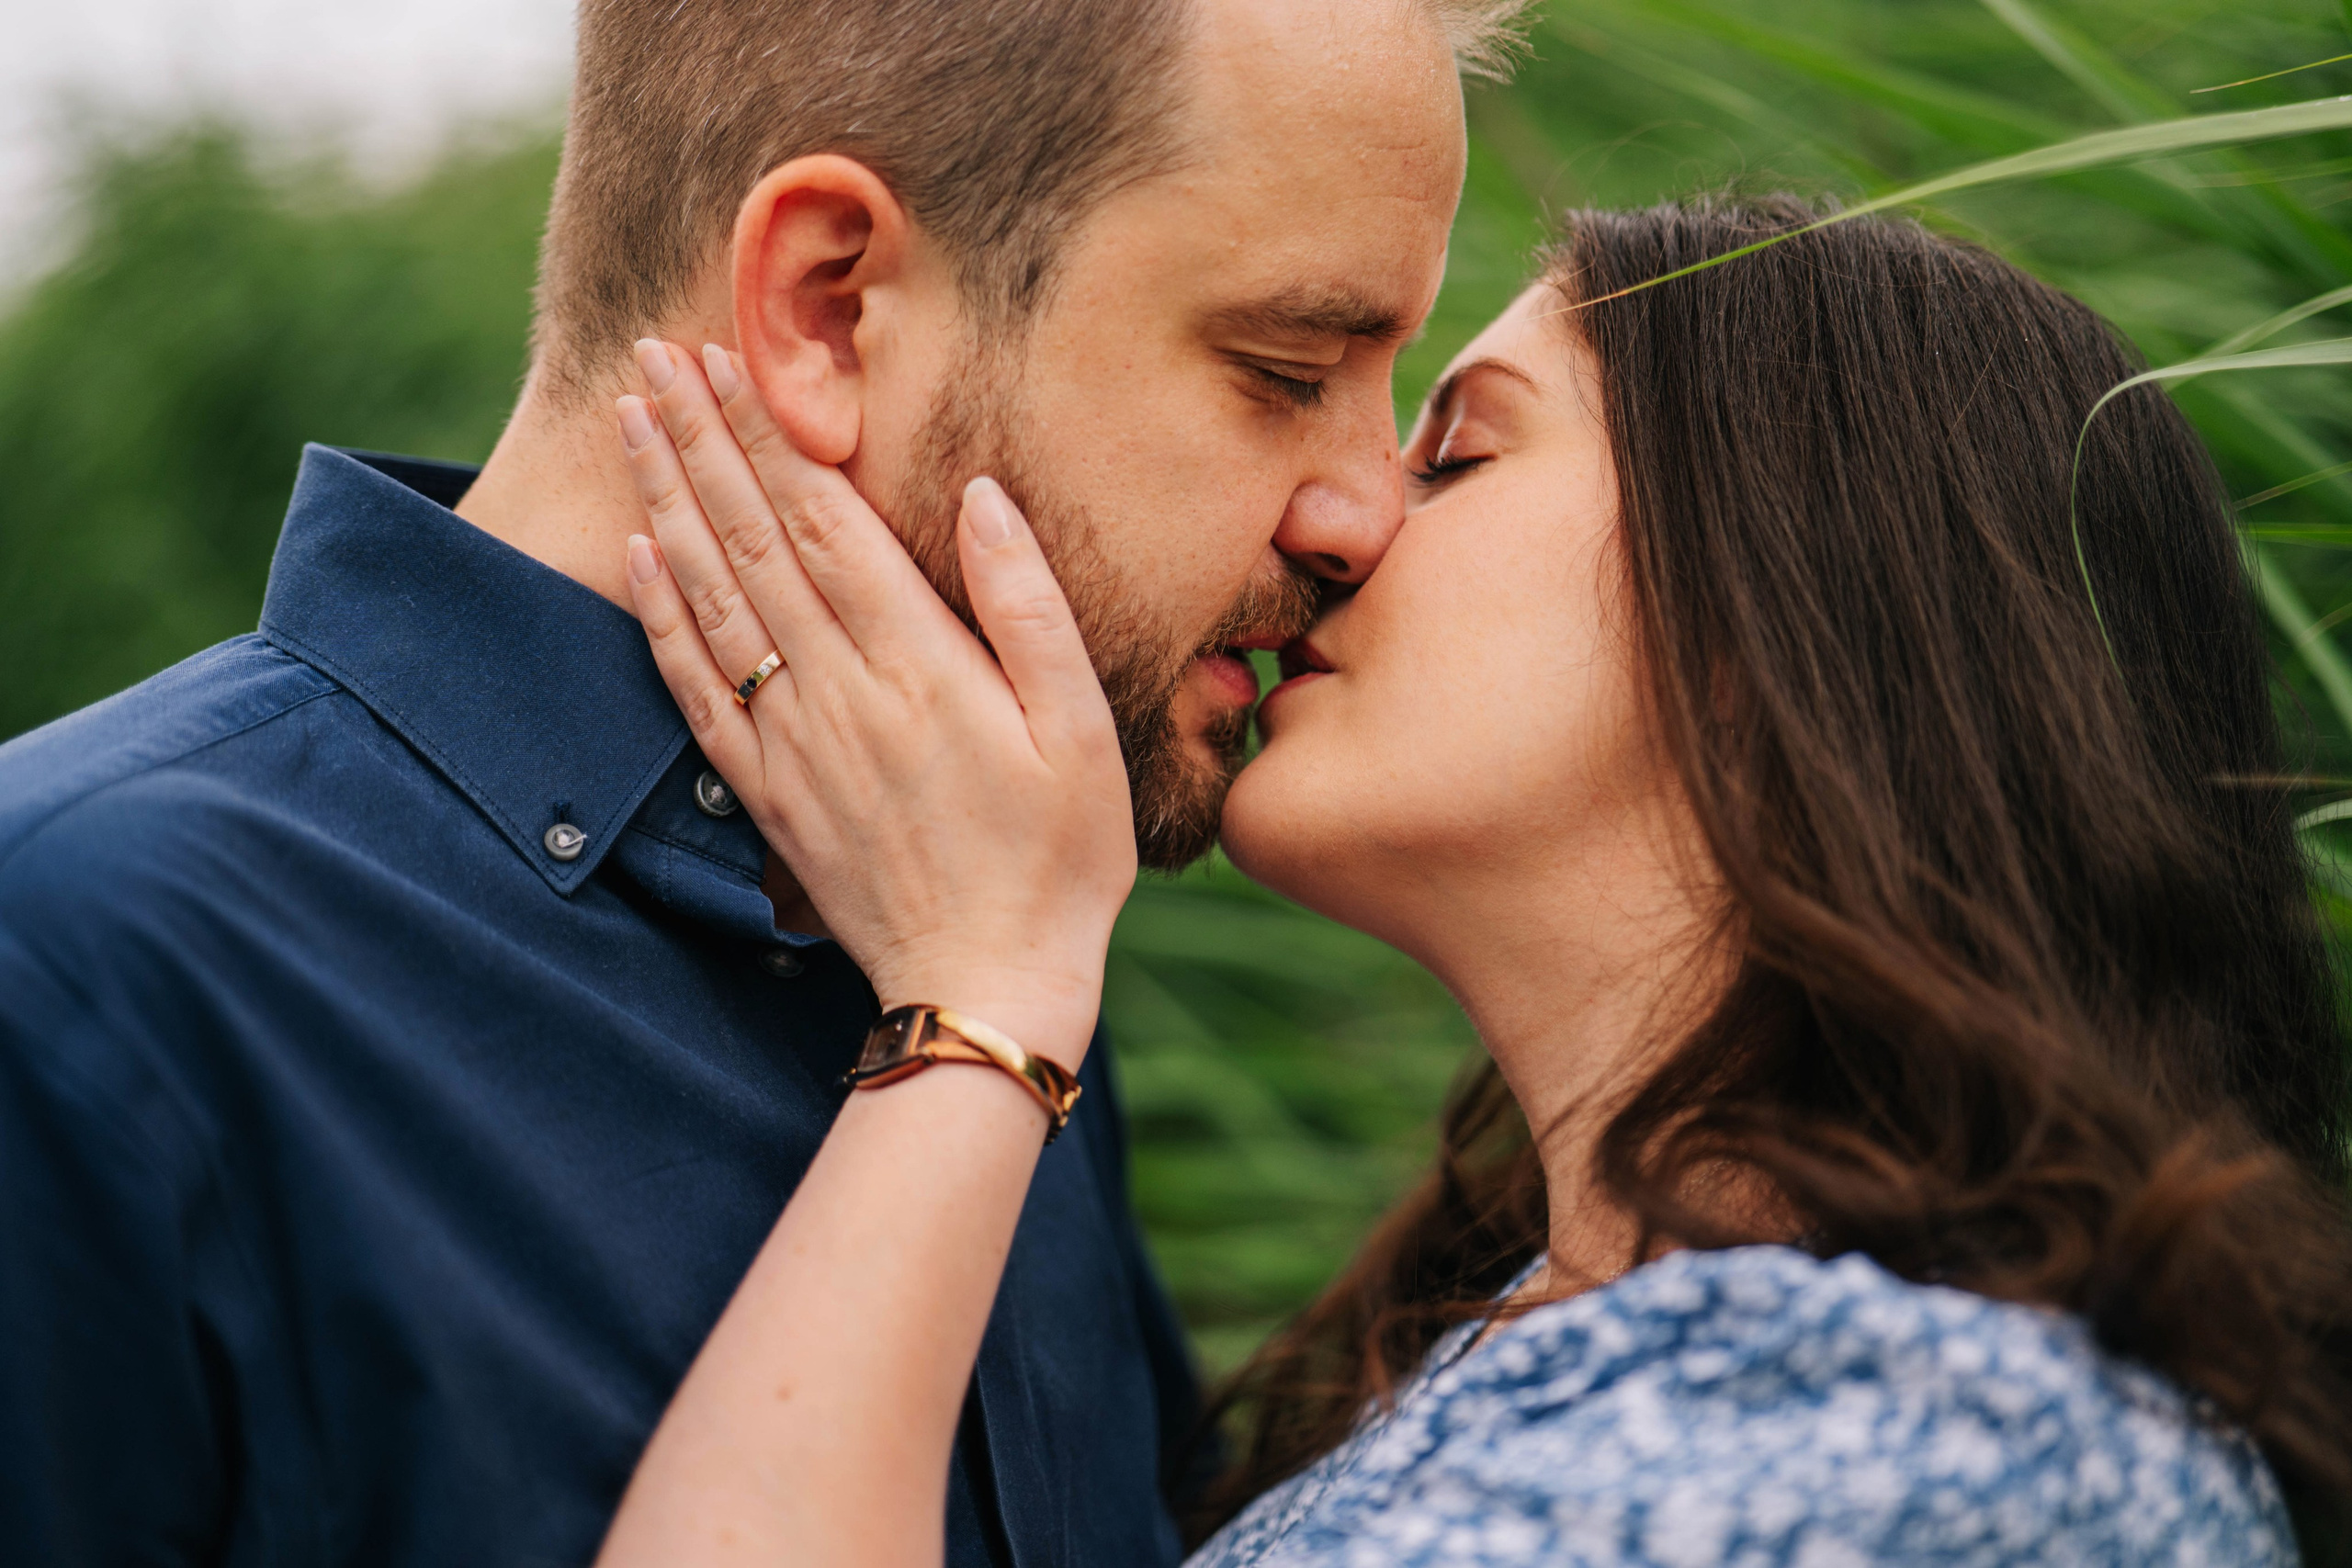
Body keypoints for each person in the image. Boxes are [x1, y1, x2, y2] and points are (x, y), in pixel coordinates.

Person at [592, 197, 2352, 1566]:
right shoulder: (1554, 1331)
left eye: (1457, 453)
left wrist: (977, 996)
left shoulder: (1962, 1453)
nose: (1344, 519)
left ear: (1780, 616)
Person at [0, 2, 1535, 1562]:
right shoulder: (68, 980)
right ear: (829, 305)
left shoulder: (990, 930)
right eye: (1283, 369)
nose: (1362, 511)